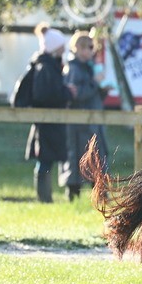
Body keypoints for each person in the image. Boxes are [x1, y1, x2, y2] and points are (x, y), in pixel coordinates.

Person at [24, 24, 73, 203]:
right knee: (45, 161)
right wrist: (67, 93)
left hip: (49, 123)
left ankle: (45, 197)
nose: (64, 49)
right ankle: (44, 198)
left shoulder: (48, 65)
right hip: (47, 123)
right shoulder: (45, 67)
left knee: (46, 160)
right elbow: (45, 95)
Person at [58, 31, 109, 201]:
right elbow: (76, 95)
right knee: (77, 159)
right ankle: (73, 195)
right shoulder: (72, 69)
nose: (87, 51)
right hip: (78, 125)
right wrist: (94, 82)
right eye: (83, 47)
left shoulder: (89, 68)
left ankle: (100, 196)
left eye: (90, 47)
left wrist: (102, 90)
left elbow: (92, 94)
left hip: (93, 123)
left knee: (97, 159)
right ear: (75, 48)